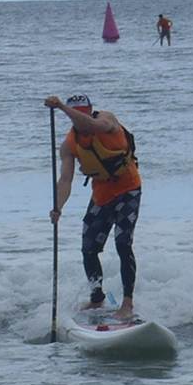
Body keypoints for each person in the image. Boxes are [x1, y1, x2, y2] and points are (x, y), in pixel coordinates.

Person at [44, 93, 142, 319]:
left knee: (123, 243)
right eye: (76, 113)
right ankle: (97, 298)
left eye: (83, 112)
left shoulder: (107, 120)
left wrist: (61, 107)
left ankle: (127, 304)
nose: (80, 118)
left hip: (128, 189)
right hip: (102, 195)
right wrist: (57, 208)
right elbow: (65, 180)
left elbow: (91, 125)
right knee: (88, 248)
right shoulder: (69, 145)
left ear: (90, 110)